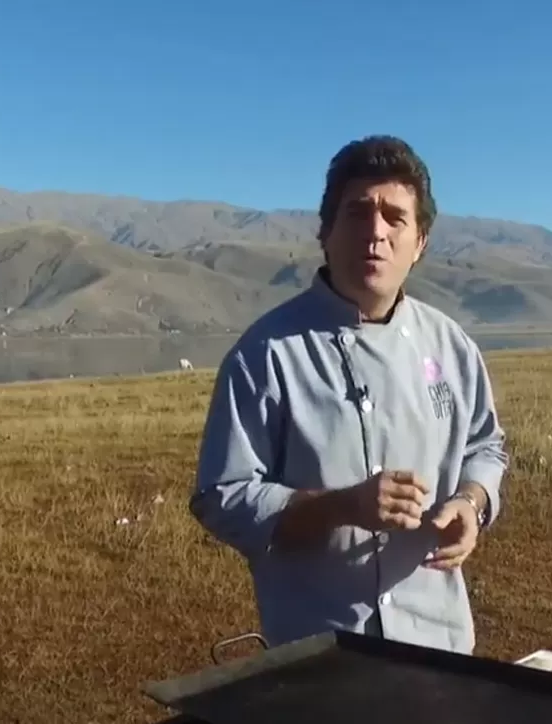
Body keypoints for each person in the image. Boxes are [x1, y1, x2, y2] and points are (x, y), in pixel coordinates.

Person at [188, 135, 509, 654]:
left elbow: (485, 446)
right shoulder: (267, 354)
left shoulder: (452, 347)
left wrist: (472, 502)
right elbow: (222, 496)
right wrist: (342, 507)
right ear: (326, 231)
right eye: (358, 213)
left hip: (440, 644)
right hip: (317, 654)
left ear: (420, 241)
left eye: (394, 217)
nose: (375, 233)